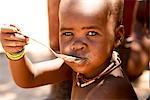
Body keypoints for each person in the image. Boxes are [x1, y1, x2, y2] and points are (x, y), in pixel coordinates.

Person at [0, 0, 138, 99]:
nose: (77, 45)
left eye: (91, 33)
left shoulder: (109, 90)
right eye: (67, 33)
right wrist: (16, 52)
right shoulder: (83, 69)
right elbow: (29, 79)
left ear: (117, 36)